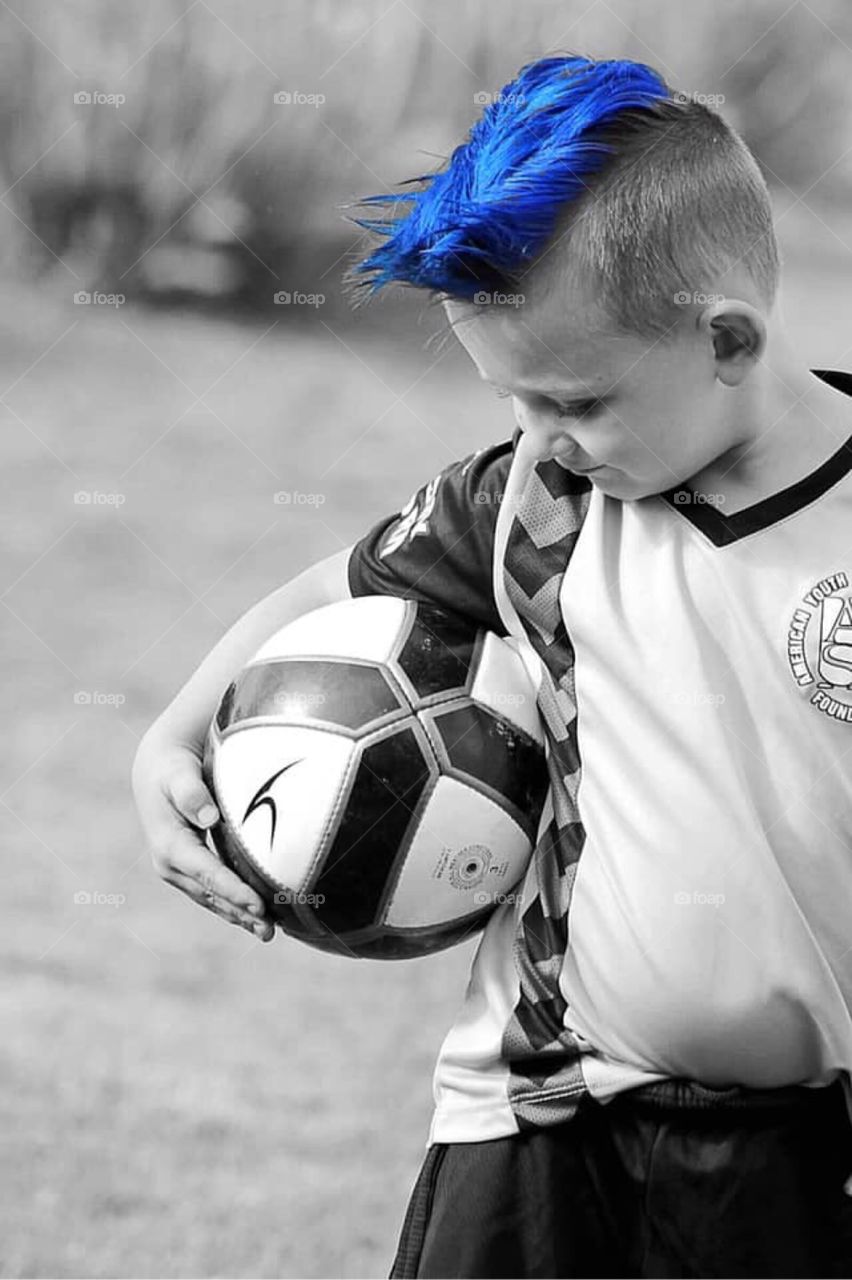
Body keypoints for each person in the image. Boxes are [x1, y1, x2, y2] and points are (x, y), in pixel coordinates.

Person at [132, 54, 852, 1277]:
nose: (540, 439)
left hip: (801, 1159)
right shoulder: (534, 505)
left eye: (576, 399)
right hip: (538, 1109)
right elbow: (330, 591)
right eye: (512, 399)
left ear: (728, 339)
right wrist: (173, 735)